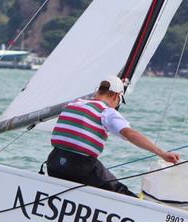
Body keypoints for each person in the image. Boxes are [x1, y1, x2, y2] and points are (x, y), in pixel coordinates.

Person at [46, 76, 180, 196]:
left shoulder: (74, 104)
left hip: (54, 163)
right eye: (120, 101)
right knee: (121, 193)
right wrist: (162, 153)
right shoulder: (107, 112)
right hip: (81, 168)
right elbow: (130, 134)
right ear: (116, 96)